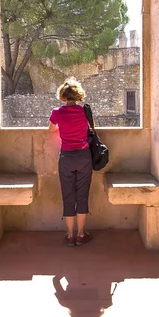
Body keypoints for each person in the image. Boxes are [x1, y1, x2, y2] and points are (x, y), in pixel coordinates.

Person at [49, 77, 94, 247]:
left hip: (66, 157)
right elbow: (90, 129)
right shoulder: (84, 111)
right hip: (84, 156)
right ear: (78, 96)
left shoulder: (57, 112)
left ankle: (70, 235)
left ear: (62, 97)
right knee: (82, 196)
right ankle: (81, 234)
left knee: (68, 196)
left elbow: (51, 129)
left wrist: (63, 126)